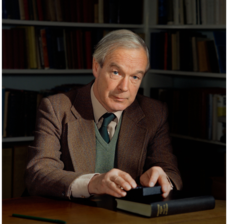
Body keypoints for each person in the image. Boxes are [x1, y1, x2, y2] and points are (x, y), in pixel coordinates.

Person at [25, 29, 182, 200]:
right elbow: (38, 174)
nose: (124, 87)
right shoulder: (56, 108)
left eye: (135, 77)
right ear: (96, 67)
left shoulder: (154, 112)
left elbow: (171, 173)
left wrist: (160, 178)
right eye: (116, 73)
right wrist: (93, 183)